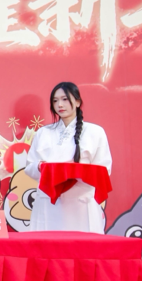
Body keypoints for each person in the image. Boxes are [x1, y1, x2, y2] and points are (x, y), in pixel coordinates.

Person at [24, 81, 112, 233]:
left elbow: (104, 170)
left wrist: (76, 173)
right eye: (55, 101)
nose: (60, 105)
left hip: (81, 203)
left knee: (82, 246)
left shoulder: (95, 132)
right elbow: (29, 167)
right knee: (47, 245)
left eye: (65, 99)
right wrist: (40, 167)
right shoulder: (43, 133)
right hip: (48, 203)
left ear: (77, 102)